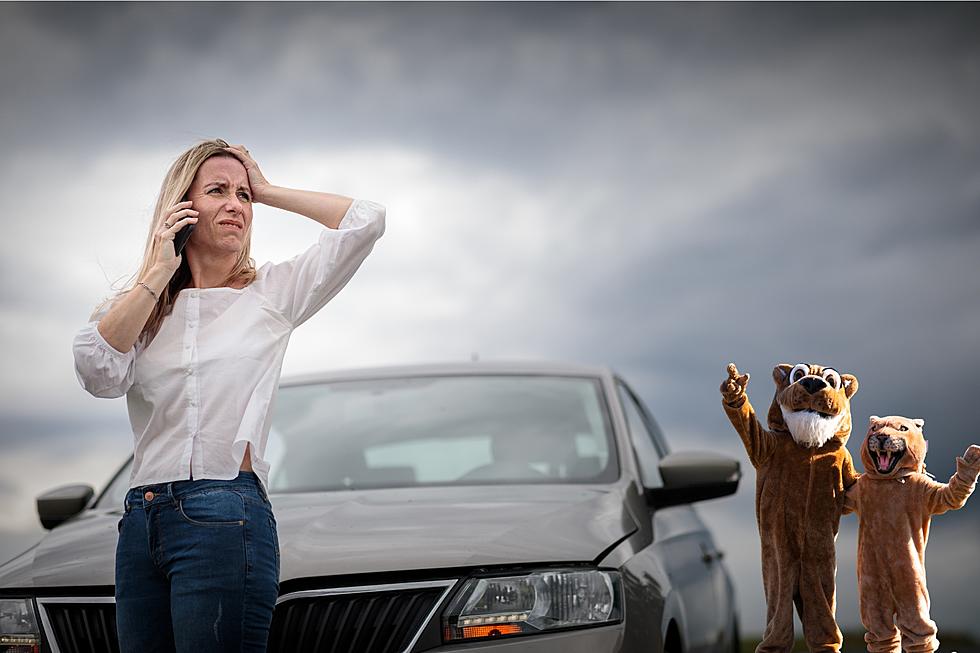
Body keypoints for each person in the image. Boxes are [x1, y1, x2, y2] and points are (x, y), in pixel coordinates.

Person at [72, 138, 385, 652]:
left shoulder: (272, 295)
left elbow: (367, 220)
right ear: (180, 208)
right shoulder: (137, 311)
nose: (236, 204)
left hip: (224, 513)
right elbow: (98, 373)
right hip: (139, 520)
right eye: (218, 190)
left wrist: (268, 189)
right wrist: (155, 274)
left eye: (243, 195)